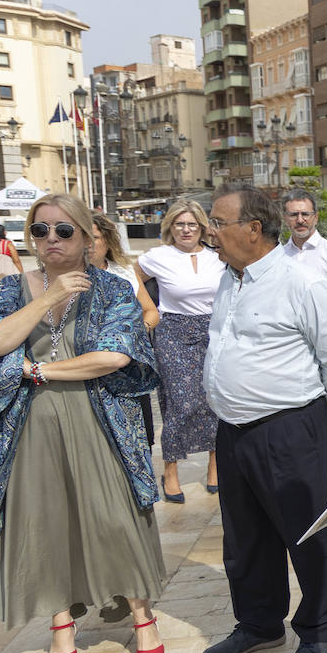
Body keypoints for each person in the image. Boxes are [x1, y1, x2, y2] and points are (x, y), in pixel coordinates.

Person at [0, 193, 164, 653]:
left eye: (63, 229)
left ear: (89, 236)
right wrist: (47, 296)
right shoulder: (10, 291)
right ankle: (60, 624)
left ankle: (141, 614)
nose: (51, 238)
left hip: (100, 423)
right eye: (40, 229)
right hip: (29, 430)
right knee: (44, 521)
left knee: (113, 514)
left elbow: (114, 357)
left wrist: (34, 370)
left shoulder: (111, 289)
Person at [198, 184, 327, 653]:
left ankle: (319, 627)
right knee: (244, 537)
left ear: (253, 228)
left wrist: (320, 410)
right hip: (235, 431)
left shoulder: (302, 283)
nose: (210, 233)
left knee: (305, 533)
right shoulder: (231, 278)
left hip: (290, 429)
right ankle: (260, 622)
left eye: (218, 223)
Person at [135, 200, 224, 502]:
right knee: (180, 402)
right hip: (173, 333)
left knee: (215, 400)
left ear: (201, 227)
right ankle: (170, 470)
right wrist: (149, 308)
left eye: (192, 224)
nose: (186, 230)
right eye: (179, 224)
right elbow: (129, 276)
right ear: (170, 226)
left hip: (213, 331)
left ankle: (215, 464)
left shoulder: (217, 256)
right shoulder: (158, 256)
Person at [281, 187, 327, 500]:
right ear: (285, 218)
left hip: (324, 345)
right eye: (294, 214)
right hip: (290, 348)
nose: (300, 220)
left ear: (316, 216)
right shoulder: (277, 257)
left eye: (305, 214)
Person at [91, 213, 161, 450]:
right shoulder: (66, 278)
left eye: (94, 238)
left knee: (138, 442)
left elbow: (151, 312)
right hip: (90, 370)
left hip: (128, 370)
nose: (88, 245)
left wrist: (133, 334)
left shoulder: (124, 271)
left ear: (107, 241)